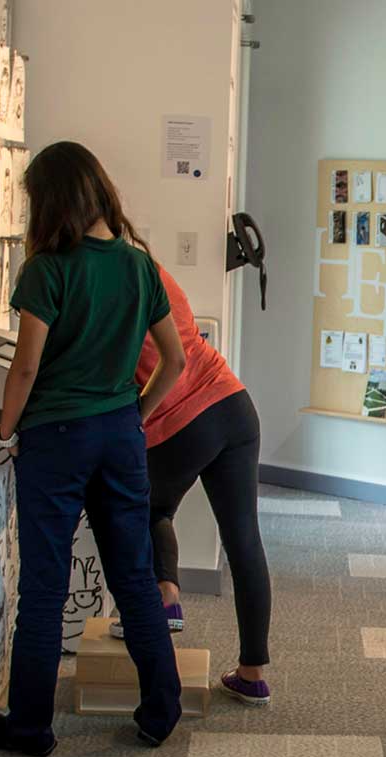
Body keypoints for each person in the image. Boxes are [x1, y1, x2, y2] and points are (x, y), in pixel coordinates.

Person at [0, 140, 186, 756]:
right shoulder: (139, 265)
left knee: (44, 587)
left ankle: (31, 726)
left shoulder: (48, 269)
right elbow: (173, 361)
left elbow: (24, 369)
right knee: (134, 577)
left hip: (56, 438)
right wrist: (131, 415)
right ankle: (161, 712)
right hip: (120, 434)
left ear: (51, 201)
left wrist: (3, 432)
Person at [128, 262, 274, 705]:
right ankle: (253, 674)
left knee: (149, 509)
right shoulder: (150, 267)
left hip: (180, 420)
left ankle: (167, 595)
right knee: (244, 540)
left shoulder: (103, 283)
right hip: (232, 404)